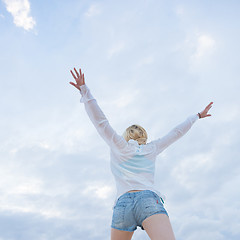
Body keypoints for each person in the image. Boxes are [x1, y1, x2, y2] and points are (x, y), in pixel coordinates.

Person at [69, 68, 213, 240]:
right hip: (148, 201)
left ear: (126, 136)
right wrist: (197, 115)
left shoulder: (118, 145)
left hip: (123, 204)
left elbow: (100, 122)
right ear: (144, 136)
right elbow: (176, 133)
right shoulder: (152, 148)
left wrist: (85, 91)